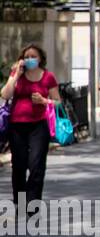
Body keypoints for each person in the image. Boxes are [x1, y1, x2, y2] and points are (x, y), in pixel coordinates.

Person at [1, 44, 61, 212]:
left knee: (36, 165)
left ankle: (32, 204)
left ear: (40, 58)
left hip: (39, 126)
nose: (30, 59)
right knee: (18, 165)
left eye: (33, 56)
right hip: (17, 126)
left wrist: (44, 101)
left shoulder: (48, 77)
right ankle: (19, 202)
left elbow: (57, 101)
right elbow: (5, 95)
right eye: (26, 56)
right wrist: (16, 75)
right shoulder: (17, 74)